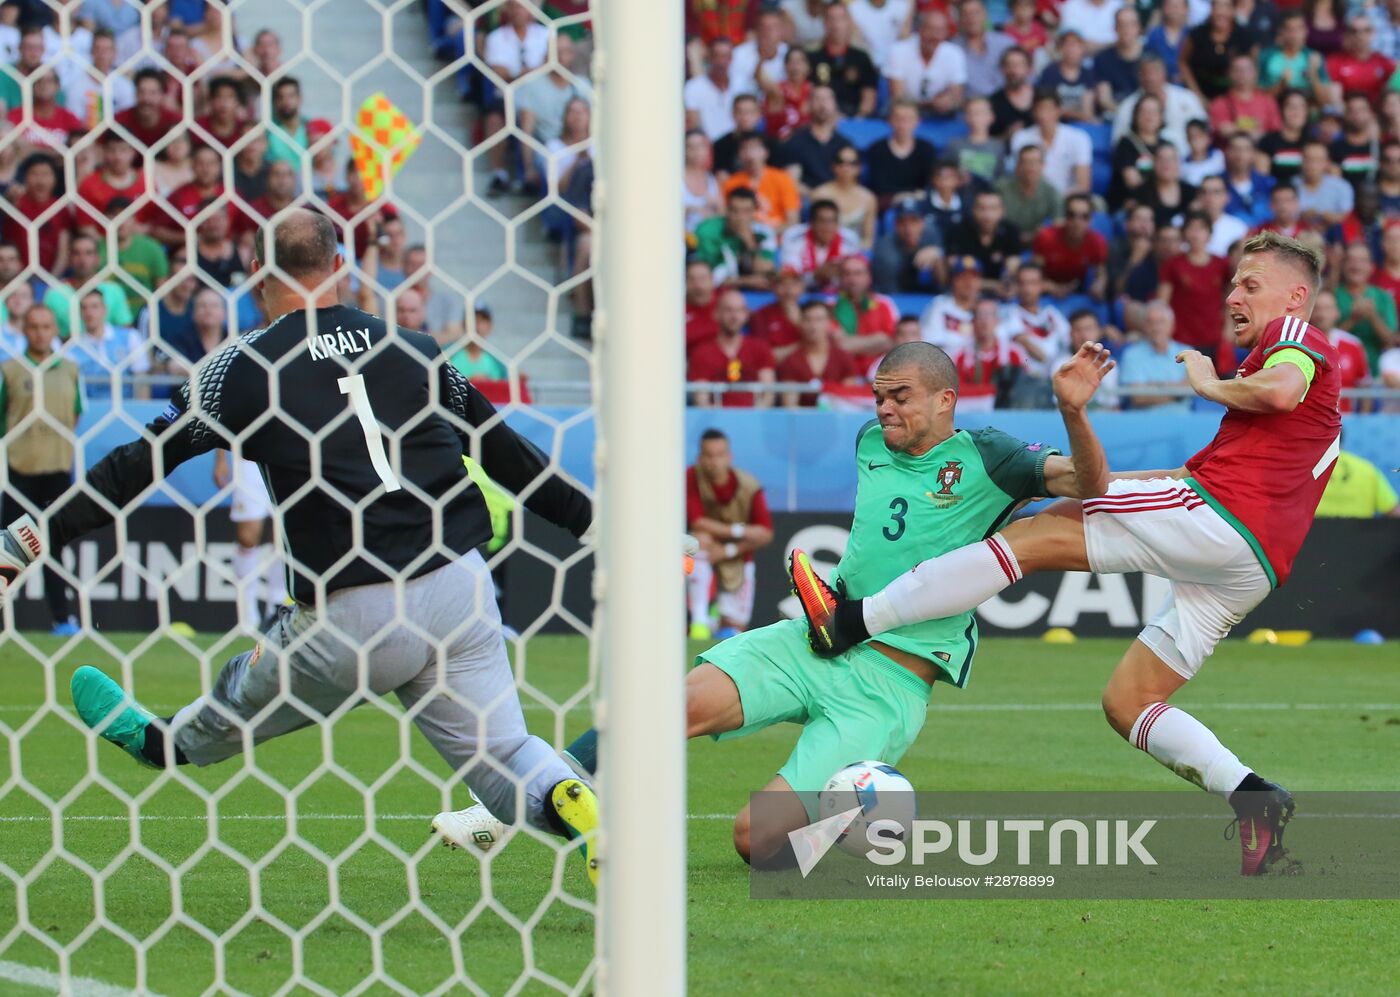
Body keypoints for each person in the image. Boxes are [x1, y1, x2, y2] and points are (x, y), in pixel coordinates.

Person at [0, 210, 601, 882]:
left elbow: (137, 465)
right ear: (341, 266)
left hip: (353, 612)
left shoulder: (243, 366)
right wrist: (603, 532)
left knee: (223, 709)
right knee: (506, 759)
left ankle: (158, 741)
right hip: (460, 583)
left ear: (258, 278)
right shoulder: (418, 348)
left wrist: (31, 538)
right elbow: (512, 458)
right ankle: (575, 802)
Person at [793, 231, 1343, 878]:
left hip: (1223, 520)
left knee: (1036, 534)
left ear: (1296, 295)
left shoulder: (1297, 342)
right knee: (1129, 702)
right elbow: (1197, 469)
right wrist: (1119, 483)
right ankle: (1256, 800)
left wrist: (1208, 381)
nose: (1234, 295)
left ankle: (852, 621)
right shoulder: (1267, 382)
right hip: (1248, 561)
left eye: (1251, 283)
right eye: (1234, 283)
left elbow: (1279, 390)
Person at [565, 339, 1112, 865]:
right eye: (879, 397)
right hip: (816, 638)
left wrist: (1072, 411)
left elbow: (1092, 485)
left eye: (900, 396)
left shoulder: (992, 457)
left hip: (885, 688)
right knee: (663, 706)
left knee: (755, 840)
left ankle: (867, 812)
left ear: (947, 400)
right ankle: (552, 783)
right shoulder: (869, 441)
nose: (884, 409)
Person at [0, 304, 81, 635]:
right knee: (8, 551)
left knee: (54, 551)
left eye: (46, 326)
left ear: (54, 330)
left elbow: (75, 414)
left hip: (57, 473)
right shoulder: (10, 370)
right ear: (25, 330)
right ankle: (4, 623)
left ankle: (61, 620)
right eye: (33, 327)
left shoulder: (72, 370)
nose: (40, 333)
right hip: (19, 472)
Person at [1158, 211, 1232, 362]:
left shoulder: (1222, 264)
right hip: (1181, 338)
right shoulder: (1173, 264)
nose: (1195, 234)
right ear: (1184, 234)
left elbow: (1230, 299)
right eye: (1191, 228)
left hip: (1215, 337)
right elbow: (1162, 303)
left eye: (1201, 228)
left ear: (1209, 234)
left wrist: (1229, 328)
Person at [687, 287, 776, 407]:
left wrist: (755, 418)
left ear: (746, 315)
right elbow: (701, 398)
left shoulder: (760, 348)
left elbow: (767, 394)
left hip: (754, 419)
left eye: (739, 310)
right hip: (716, 421)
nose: (734, 316)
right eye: (728, 310)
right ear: (716, 313)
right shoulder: (701, 352)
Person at [42, 232, 133, 340]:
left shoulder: (113, 291)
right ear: (70, 258)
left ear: (97, 259)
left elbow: (126, 332)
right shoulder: (54, 294)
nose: (82, 259)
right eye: (77, 253)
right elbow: (47, 336)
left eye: (88, 253)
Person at [1003, 262, 1071, 402]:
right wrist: (1052, 364)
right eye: (1023, 283)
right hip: (1026, 384)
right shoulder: (1010, 314)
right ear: (1017, 286)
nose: (1027, 289)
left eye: (1033, 283)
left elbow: (1070, 341)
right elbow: (1029, 347)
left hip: (1057, 377)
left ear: (1042, 285)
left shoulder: (1052, 314)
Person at [66, 289, 149, 400]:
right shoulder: (72, 348)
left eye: (94, 306)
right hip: (89, 412)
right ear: (79, 313)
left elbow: (141, 380)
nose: (89, 313)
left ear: (104, 310)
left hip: (127, 409)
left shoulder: (130, 337)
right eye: (84, 308)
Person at [1008, 89, 1093, 196]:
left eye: (1049, 109)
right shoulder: (1020, 137)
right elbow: (1020, 177)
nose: (1043, 114)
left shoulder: (1079, 138)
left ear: (1059, 110)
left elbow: (1083, 185)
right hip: (1033, 199)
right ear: (1033, 111)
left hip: (1069, 198)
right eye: (1039, 108)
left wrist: (1056, 199)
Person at [692, 186, 778, 289]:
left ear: (754, 212)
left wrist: (750, 243)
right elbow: (706, 278)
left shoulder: (764, 232)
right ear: (727, 210)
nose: (740, 217)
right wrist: (744, 281)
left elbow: (765, 272)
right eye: (735, 210)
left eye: (746, 211)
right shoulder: (707, 231)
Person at [778, 298, 860, 406]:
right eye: (808, 320)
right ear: (801, 323)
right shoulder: (791, 361)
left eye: (819, 319)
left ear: (829, 323)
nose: (813, 326)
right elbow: (790, 406)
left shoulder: (843, 358)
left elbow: (850, 400)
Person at [884, 10, 965, 118]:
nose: (935, 35)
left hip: (941, 112)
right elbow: (897, 96)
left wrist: (948, 99)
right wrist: (930, 103)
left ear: (946, 33)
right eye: (930, 29)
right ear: (920, 30)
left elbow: (956, 95)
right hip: (906, 110)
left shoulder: (955, 53)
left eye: (940, 30)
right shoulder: (899, 50)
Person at [950, 296, 1025, 411]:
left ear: (997, 321)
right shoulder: (959, 355)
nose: (985, 321)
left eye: (989, 315)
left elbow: (1023, 389)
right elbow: (955, 392)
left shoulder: (1014, 353)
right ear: (973, 321)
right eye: (980, 315)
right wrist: (992, 392)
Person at [1335, 240, 1398, 374]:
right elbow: (1324, 340)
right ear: (1343, 265)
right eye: (1351, 260)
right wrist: (1352, 320)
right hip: (1340, 373)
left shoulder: (1383, 297)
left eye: (1362, 261)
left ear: (1371, 267)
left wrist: (1373, 316)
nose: (1356, 266)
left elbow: (1391, 341)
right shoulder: (1332, 296)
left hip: (1377, 374)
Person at [775, 85, 851, 194]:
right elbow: (791, 181)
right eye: (817, 99)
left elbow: (849, 180)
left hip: (838, 197)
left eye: (827, 99)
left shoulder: (845, 144)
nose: (822, 104)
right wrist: (816, 195)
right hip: (808, 199)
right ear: (808, 105)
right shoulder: (796, 141)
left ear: (835, 105)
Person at [809, 2, 879, 118]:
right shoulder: (812, 56)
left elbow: (869, 95)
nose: (836, 25)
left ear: (848, 23)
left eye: (841, 19)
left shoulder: (861, 57)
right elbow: (809, 93)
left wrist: (858, 118)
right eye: (831, 19)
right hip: (821, 117)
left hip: (855, 119)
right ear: (824, 23)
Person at [1032, 193, 1108, 299]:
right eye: (1071, 215)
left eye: (1084, 216)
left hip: (1077, 291)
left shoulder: (1097, 242)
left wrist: (1099, 285)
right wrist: (1052, 287)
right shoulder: (1046, 238)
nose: (1077, 221)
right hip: (1046, 294)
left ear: (1091, 220)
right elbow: (1033, 275)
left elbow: (1101, 274)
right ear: (1065, 217)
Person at [1118, 300, 1191, 409]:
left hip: (1184, 422)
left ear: (1172, 325)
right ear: (1144, 326)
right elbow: (1138, 397)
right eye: (1150, 322)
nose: (1156, 328)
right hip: (1144, 423)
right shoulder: (1131, 355)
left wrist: (1154, 387)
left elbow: (1192, 389)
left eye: (1161, 322)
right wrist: (1178, 393)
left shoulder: (1188, 353)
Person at [1179, 0, 1256, 103]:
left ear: (1233, 10)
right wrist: (1198, 96)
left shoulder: (1244, 36)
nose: (1221, 12)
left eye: (1226, 7)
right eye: (1217, 6)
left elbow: (1253, 66)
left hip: (1234, 100)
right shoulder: (1197, 35)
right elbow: (1183, 62)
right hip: (1200, 95)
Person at [948, 189, 1023, 292]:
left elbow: (1013, 266)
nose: (987, 215)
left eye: (993, 209)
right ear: (973, 210)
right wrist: (994, 285)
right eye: (982, 208)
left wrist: (1008, 284)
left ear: (1002, 211)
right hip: (965, 291)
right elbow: (955, 271)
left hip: (1000, 293)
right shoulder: (959, 231)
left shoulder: (1011, 231)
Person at [863, 99, 935, 205]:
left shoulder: (926, 149)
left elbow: (929, 184)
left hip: (919, 205)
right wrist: (900, 197)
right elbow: (878, 185)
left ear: (918, 121)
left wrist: (910, 196)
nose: (903, 124)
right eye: (898, 118)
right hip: (885, 204)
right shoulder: (877, 149)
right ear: (889, 120)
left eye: (909, 119)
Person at [1309, 289, 1371, 413]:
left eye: (1327, 308)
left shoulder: (1353, 344)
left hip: (1346, 422)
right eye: (1317, 308)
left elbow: (1365, 387)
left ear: (1336, 312)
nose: (1321, 314)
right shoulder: (1300, 343)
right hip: (1311, 422)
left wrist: (1363, 422)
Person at [778, 198, 859, 291]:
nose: (828, 227)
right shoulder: (794, 237)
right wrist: (815, 276)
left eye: (832, 221)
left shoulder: (849, 239)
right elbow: (789, 279)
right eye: (822, 221)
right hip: (801, 295)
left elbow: (854, 278)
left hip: (838, 294)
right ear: (812, 223)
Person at [871, 197, 942, 294]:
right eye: (902, 223)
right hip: (898, 298)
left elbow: (946, 281)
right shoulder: (885, 251)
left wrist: (938, 252)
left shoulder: (931, 233)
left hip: (931, 297)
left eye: (914, 221)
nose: (909, 229)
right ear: (895, 225)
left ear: (922, 223)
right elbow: (890, 295)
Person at [995, 144, 1062, 247]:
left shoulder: (1051, 191)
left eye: (1035, 162)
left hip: (1038, 245)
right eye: (1025, 162)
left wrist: (1043, 233)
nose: (1031, 167)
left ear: (1043, 165)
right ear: (1017, 165)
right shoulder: (1000, 188)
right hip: (1003, 243)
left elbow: (1058, 224)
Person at [832, 255, 897, 358]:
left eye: (858, 273)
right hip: (842, 370)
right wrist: (877, 340)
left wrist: (849, 343)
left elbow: (891, 342)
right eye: (846, 274)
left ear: (869, 277)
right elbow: (836, 346)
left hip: (877, 370)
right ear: (840, 278)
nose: (852, 280)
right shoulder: (830, 307)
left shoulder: (884, 304)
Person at [811, 147, 876, 247]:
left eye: (852, 163)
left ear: (860, 168)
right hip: (824, 250)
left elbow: (868, 238)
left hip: (855, 252)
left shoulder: (868, 198)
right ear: (833, 166)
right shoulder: (820, 194)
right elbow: (814, 231)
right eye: (840, 162)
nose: (846, 167)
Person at [1207, 54, 1281, 141]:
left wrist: (1236, 129)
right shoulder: (1219, 103)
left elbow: (1276, 132)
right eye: (1237, 70)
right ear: (1229, 74)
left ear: (1256, 73)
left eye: (1247, 70)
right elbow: (1221, 131)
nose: (1242, 74)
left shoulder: (1268, 102)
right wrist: (1252, 132)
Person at [685, 37, 745, 143]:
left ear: (731, 58)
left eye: (725, 56)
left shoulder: (742, 84)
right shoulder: (693, 87)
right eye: (716, 56)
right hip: (707, 148)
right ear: (709, 57)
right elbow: (693, 123)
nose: (721, 62)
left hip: (738, 146)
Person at [918, 255, 982, 352]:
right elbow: (931, 345)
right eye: (963, 277)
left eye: (973, 278)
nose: (969, 283)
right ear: (953, 281)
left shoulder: (988, 308)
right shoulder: (940, 305)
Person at [1314, 447, 1400, 518]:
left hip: (1314, 535)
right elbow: (1394, 512)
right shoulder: (1367, 469)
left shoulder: (1307, 469)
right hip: (1360, 534)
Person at [955, 0, 1014, 99]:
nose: (971, 18)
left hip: (1005, 104)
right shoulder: (953, 49)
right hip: (969, 107)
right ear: (960, 19)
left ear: (985, 15)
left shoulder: (1006, 44)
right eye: (966, 14)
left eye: (976, 13)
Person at [1257, 89, 1315, 188]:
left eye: (1302, 107)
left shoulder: (1313, 143)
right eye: (1292, 107)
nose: (1297, 112)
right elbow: (1262, 177)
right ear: (1281, 110)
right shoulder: (1267, 142)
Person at [1039, 27, 1097, 122]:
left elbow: (1088, 111)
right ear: (1060, 48)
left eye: (1076, 45)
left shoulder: (1088, 74)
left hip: (1082, 125)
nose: (1071, 49)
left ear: (1083, 48)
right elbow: (1047, 106)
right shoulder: (1050, 72)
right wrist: (1077, 113)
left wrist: (1066, 111)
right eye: (1067, 45)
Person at [1096, 6, 1146, 116]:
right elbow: (1104, 100)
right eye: (1121, 25)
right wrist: (1127, 115)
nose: (1126, 29)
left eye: (1131, 25)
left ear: (1138, 27)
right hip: (1116, 116)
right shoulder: (1103, 58)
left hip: (1147, 116)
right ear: (1115, 28)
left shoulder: (1150, 56)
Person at [748, 266, 804, 362]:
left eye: (794, 284)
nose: (788, 290)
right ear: (774, 287)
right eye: (782, 284)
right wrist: (802, 348)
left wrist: (799, 322)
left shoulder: (813, 312)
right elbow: (762, 356)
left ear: (802, 288)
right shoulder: (762, 315)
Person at [1294, 139, 1354, 227]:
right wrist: (1302, 217)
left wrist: (1331, 218)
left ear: (1327, 163)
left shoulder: (1342, 186)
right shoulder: (1291, 186)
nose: (1313, 165)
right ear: (1301, 161)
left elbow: (1348, 219)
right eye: (1308, 159)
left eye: (1318, 160)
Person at [989, 45, 1036, 138]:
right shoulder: (993, 101)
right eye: (1009, 65)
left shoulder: (1041, 97)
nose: (1013, 70)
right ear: (1002, 69)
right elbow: (986, 140)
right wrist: (1006, 136)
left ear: (1029, 69)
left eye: (1019, 65)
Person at [1197, 175, 1250, 256]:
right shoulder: (1181, 223)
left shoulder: (1239, 228)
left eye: (1216, 192)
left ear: (1227, 197)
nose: (1209, 197)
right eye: (1204, 192)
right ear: (1198, 196)